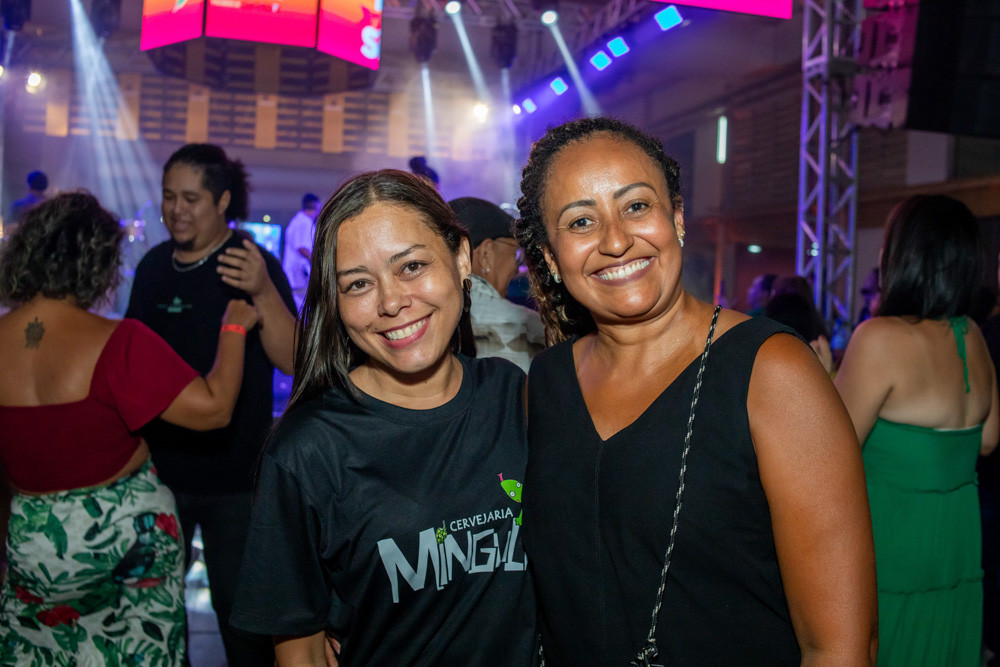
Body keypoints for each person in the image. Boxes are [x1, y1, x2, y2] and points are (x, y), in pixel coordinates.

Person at [514, 117, 876, 665]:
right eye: (581, 221)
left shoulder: (772, 372)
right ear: (549, 257)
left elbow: (840, 647)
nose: (616, 240)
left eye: (636, 206)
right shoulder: (545, 383)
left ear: (677, 218)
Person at [230, 170, 536, 666]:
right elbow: (300, 650)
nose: (391, 302)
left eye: (412, 266)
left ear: (461, 258)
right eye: (358, 284)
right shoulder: (307, 451)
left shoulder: (512, 395)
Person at [0, 192, 258, 665]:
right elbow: (214, 409)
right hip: (126, 548)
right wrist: (234, 329)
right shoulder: (117, 343)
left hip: (35, 544)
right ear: (99, 263)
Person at [126, 143, 296, 666]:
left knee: (242, 627)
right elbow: (131, 364)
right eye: (169, 196)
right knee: (153, 619)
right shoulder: (154, 267)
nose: (176, 209)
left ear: (222, 201)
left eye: (191, 198)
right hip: (161, 479)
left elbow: (293, 359)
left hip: (236, 483)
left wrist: (263, 291)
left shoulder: (251, 263)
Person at [835, 195, 1000, 666]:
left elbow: (827, 452)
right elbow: (988, 440)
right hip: (955, 547)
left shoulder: (879, 337)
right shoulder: (972, 334)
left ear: (903, 255)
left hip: (893, 547)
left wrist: (819, 378)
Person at [448, 196, 544, 372]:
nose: (517, 270)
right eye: (515, 255)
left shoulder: (430, 320)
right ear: (486, 254)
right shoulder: (530, 327)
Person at [283, 192, 321, 312]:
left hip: (294, 269)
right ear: (314, 205)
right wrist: (317, 263)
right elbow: (302, 248)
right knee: (302, 304)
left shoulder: (296, 221)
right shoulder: (304, 222)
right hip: (299, 271)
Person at [6, 170, 48, 236]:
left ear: (29, 185)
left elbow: (9, 228)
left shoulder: (17, 206)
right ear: (45, 186)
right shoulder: (52, 206)